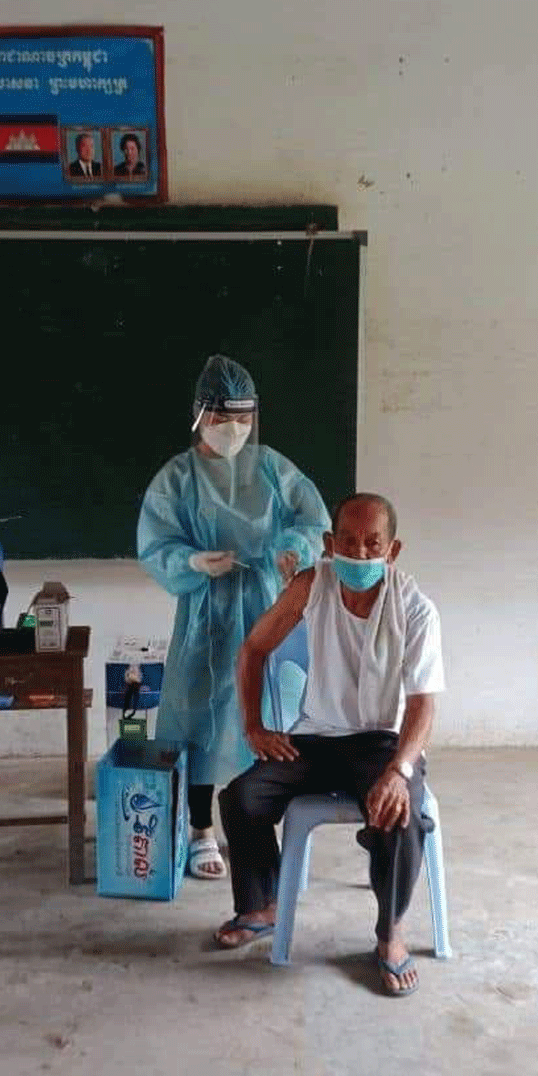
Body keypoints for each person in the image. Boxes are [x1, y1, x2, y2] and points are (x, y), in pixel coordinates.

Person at [216, 492, 445, 998]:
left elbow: (423, 706)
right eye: (348, 541)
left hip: (383, 743)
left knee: (400, 815)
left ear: (393, 550)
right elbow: (253, 648)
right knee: (241, 797)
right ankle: (262, 907)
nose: (359, 553)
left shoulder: (415, 608)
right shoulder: (311, 585)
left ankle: (390, 934)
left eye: (373, 544)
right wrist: (254, 726)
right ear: (328, 543)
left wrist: (399, 770)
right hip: (317, 737)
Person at [137, 353, 330, 879]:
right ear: (201, 414)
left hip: (267, 604)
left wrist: (292, 548)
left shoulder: (271, 468)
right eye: (224, 418)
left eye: (244, 418)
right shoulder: (178, 478)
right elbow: (156, 543)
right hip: (206, 611)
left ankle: (264, 826)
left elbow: (313, 519)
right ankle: (201, 831)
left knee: (273, 713)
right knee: (198, 718)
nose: (235, 429)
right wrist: (193, 561)